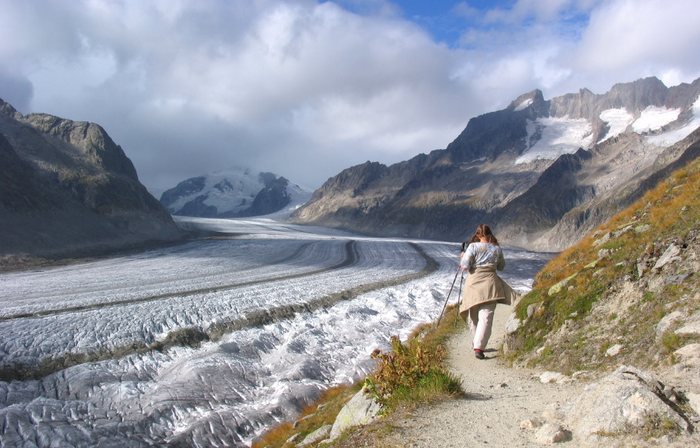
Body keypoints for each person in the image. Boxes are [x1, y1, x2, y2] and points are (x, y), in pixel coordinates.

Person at [458, 224, 518, 359]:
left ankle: (476, 342)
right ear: (490, 234)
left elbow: (465, 266)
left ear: (478, 235)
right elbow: (501, 267)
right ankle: (479, 347)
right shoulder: (496, 249)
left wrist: (462, 256)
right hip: (490, 284)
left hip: (473, 284)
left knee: (473, 316)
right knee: (486, 316)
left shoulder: (472, 247)